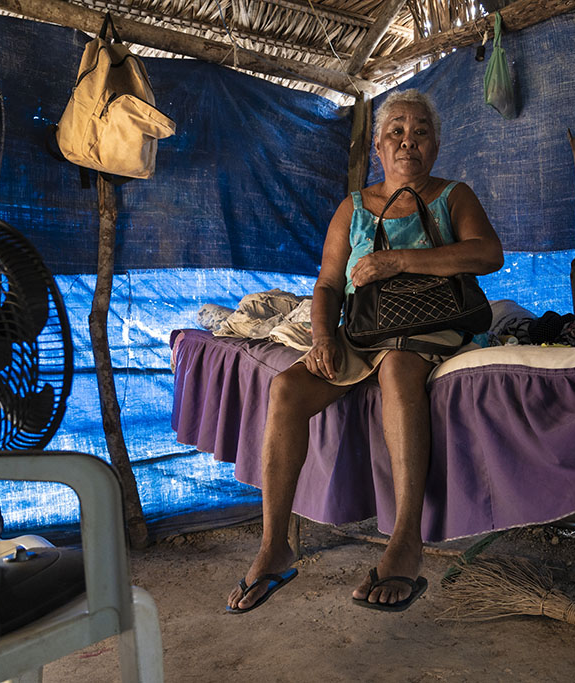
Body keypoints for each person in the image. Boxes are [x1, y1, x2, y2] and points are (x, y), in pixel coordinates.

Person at [226, 89, 504, 613]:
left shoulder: (452, 195)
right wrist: (326, 337)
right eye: (396, 131)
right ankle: (274, 545)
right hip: (364, 330)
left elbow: (488, 254)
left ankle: (406, 540)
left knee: (399, 370)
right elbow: (329, 283)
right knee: (286, 387)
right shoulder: (353, 207)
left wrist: (398, 261)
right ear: (378, 146)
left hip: (431, 327)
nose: (408, 140)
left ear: (436, 145)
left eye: (420, 131)